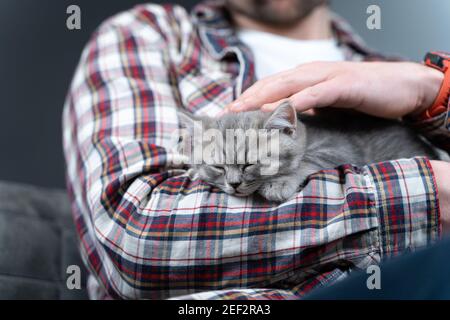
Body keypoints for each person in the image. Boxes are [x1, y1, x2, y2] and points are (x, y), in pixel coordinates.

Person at [63, 0, 450, 299]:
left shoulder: (396, 73)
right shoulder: (152, 34)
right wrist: (429, 194)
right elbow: (135, 239)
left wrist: (434, 92)